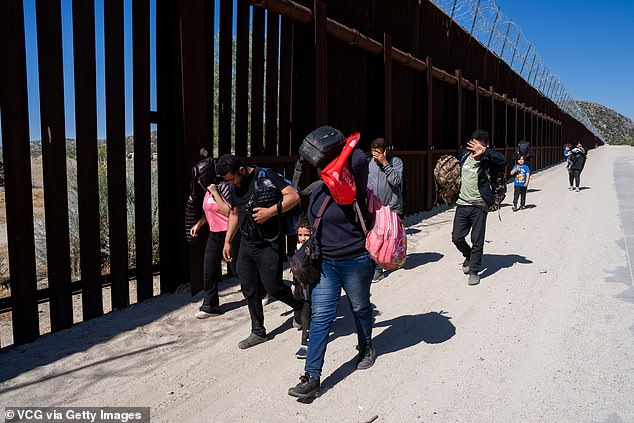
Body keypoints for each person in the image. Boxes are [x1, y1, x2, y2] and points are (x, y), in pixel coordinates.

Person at [288, 136, 375, 399]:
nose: (319, 166)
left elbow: (358, 157)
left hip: (356, 260)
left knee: (359, 307)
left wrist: (337, 144)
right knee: (321, 316)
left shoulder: (353, 186)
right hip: (325, 263)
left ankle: (366, 346)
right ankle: (312, 376)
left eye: (323, 161)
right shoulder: (317, 191)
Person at [217, 154, 304, 349]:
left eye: (231, 178)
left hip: (268, 243)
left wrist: (269, 212)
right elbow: (233, 213)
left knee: (273, 287)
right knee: (249, 287)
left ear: (241, 170)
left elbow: (293, 196)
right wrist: (228, 241)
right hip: (247, 244)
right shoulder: (234, 187)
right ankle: (258, 331)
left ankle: (300, 307)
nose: (230, 183)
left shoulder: (266, 175)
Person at [452, 129, 507, 286]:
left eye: (479, 144)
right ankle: (469, 256)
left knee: (477, 240)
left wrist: (485, 152)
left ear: (485, 145)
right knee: (457, 237)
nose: (475, 146)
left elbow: (503, 160)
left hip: (479, 205)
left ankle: (474, 271)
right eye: (473, 142)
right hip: (462, 204)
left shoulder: (488, 160)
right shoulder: (463, 157)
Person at [190, 177, 232, 318]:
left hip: (230, 233)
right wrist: (199, 224)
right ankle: (210, 306)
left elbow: (228, 212)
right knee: (209, 270)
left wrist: (215, 192)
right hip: (214, 235)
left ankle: (261, 292)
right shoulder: (206, 191)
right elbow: (209, 211)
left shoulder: (224, 188)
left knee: (240, 268)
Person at [367, 137, 403, 282]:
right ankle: (376, 267)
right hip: (373, 207)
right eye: (373, 152)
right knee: (375, 237)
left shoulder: (396, 162)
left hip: (390, 207)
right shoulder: (369, 163)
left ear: (386, 150)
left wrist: (385, 163)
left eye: (378, 152)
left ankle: (394, 258)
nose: (375, 155)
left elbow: (396, 181)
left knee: (391, 238)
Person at [291, 215, 312, 359]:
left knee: (307, 313)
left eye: (306, 235)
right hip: (300, 288)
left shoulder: (314, 249)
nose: (303, 238)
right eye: (300, 235)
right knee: (300, 311)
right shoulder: (296, 249)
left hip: (312, 286)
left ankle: (305, 342)